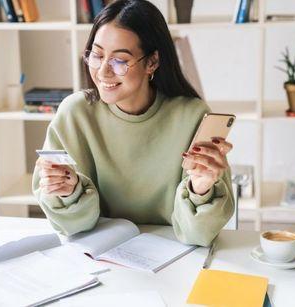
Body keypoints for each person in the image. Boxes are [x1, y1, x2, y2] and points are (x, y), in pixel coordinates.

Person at [33, 0, 234, 246]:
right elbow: (73, 228)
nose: (103, 72)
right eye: (96, 56)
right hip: (97, 256)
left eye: (119, 60)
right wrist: (68, 192)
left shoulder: (192, 115)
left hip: (174, 257)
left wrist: (201, 189)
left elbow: (197, 235)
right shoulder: (75, 114)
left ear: (152, 62)